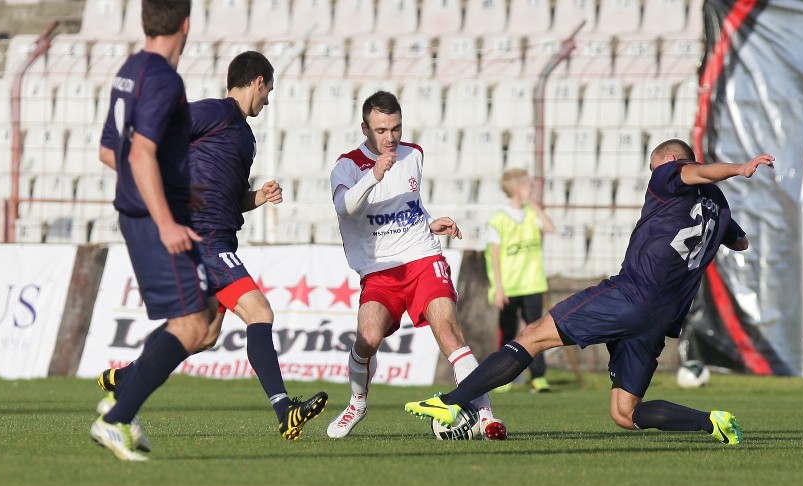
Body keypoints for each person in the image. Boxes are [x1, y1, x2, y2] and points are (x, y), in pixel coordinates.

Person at [407, 139, 776, 445]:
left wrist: (739, 168)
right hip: (661, 317)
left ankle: (453, 402)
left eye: (655, 168)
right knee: (624, 413)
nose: (656, 178)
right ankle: (712, 422)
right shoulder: (719, 206)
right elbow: (740, 243)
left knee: (532, 336)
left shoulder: (670, 174)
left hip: (631, 294)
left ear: (667, 161)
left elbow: (691, 171)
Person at [96, 51, 328, 442]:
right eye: (268, 90)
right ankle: (284, 408)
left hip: (221, 235)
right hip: (204, 238)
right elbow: (160, 139)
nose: (268, 100)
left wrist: (258, 197)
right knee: (260, 310)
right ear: (258, 81)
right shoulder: (215, 113)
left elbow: (231, 197)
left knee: (203, 335)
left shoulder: (244, 136)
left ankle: (125, 377)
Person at [327, 91, 507, 440]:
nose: (390, 137)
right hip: (380, 270)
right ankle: (357, 402)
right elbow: (343, 207)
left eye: (395, 128)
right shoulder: (347, 165)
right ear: (365, 127)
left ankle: (486, 416)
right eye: (381, 130)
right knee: (367, 339)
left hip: (422, 257)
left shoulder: (414, 155)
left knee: (449, 332)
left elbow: (411, 203)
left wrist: (427, 222)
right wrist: (373, 176)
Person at [91, 0, 213, 461]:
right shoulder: (164, 78)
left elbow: (110, 151)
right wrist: (165, 219)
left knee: (196, 319)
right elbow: (139, 153)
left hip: (142, 211)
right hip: (154, 220)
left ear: (143, 21)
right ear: (186, 24)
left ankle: (120, 402)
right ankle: (117, 416)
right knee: (193, 324)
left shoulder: (131, 69)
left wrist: (177, 187)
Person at [485, 169, 555, 394]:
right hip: (509, 287)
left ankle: (538, 377)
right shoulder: (498, 219)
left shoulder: (531, 213)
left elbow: (550, 228)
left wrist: (535, 207)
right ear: (518, 190)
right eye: (528, 187)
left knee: (537, 332)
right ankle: (501, 377)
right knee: (507, 333)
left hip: (533, 284)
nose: (532, 190)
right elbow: (494, 256)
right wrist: (498, 288)